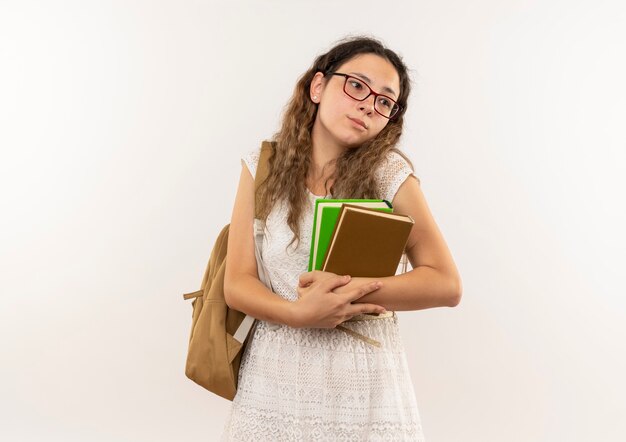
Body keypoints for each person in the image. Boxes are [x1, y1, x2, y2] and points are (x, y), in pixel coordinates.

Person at [221, 35, 462, 441]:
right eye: (357, 85)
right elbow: (237, 282)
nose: (369, 104)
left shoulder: (388, 174)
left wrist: (346, 296)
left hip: (365, 385)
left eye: (385, 101)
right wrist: (299, 313)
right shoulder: (262, 167)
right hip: (275, 384)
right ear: (318, 87)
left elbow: (445, 282)